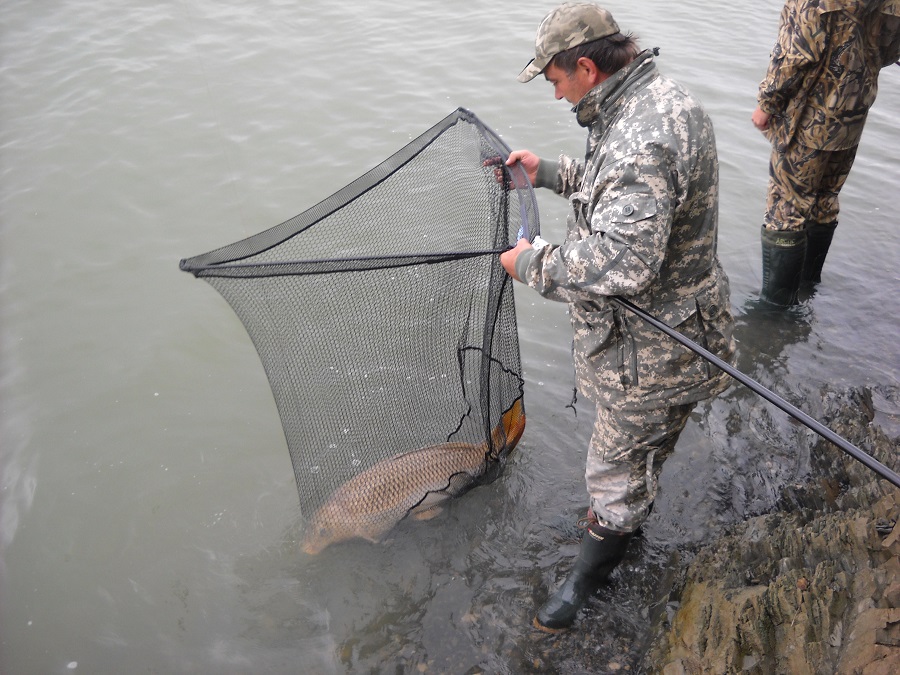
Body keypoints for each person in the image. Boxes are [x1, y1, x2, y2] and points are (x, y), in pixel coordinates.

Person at [499, 3, 736, 632]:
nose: (555, 94)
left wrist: (532, 264)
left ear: (586, 67)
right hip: (682, 329)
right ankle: (626, 520)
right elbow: (620, 189)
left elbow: (623, 261)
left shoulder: (640, 136)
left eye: (555, 80)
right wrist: (549, 173)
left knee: (612, 468)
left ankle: (586, 581)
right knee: (638, 459)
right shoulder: (655, 100)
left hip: (652, 355)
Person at [751, 0, 900, 306]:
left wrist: (767, 103)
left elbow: (796, 54)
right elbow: (892, 47)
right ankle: (808, 290)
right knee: (825, 199)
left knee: (786, 209)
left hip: (809, 117)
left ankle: (775, 311)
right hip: (854, 110)